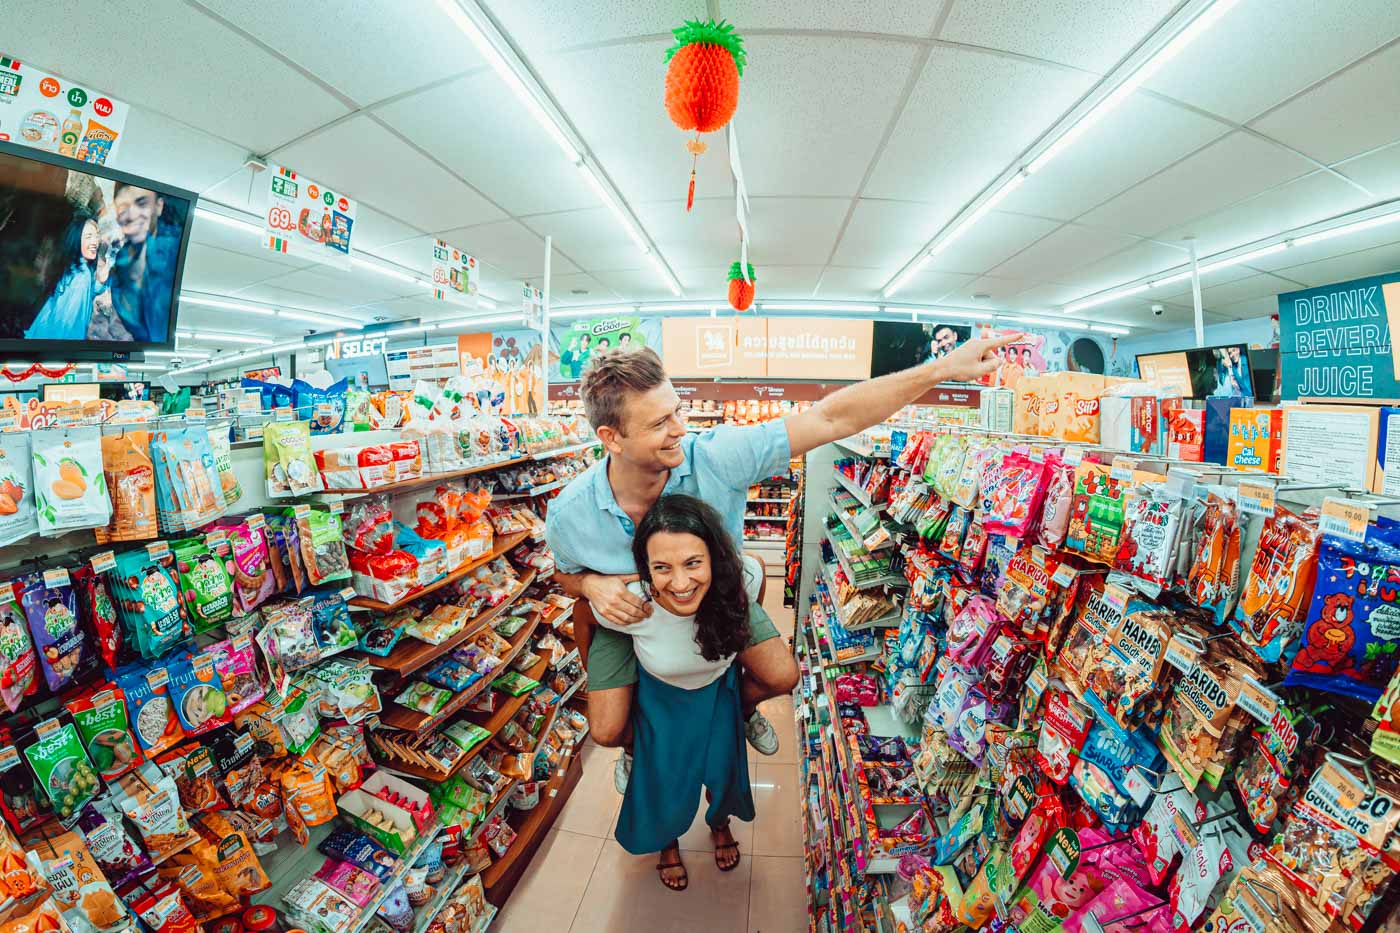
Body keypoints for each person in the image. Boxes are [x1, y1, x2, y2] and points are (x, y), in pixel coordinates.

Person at [545, 334, 1017, 794]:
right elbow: (563, 574)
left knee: (780, 676)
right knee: (608, 729)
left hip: (714, 599)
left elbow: (830, 418)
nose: (680, 430)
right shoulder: (570, 514)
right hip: (634, 614)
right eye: (658, 423)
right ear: (611, 438)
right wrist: (589, 585)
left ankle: (741, 711)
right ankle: (636, 750)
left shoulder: (715, 456)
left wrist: (943, 369)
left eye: (677, 411)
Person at [601, 494, 766, 890]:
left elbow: (753, 595)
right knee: (664, 777)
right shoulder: (631, 604)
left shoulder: (743, 578)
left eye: (693, 563)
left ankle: (720, 822)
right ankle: (667, 842)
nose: (679, 583)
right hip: (660, 702)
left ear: (714, 557)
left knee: (723, 769)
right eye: (662, 567)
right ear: (645, 568)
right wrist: (607, 684)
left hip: (718, 693)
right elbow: (585, 616)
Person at [109, 182, 181, 343]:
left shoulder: (175, 254)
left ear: (159, 206)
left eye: (142, 204)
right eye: (123, 208)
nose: (131, 215)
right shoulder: (119, 269)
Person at [25, 211, 110, 340]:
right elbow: (69, 327)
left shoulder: (75, 268)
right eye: (88, 236)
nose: (95, 242)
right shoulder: (81, 276)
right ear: (77, 240)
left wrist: (101, 280)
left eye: (97, 236)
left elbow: (87, 293)